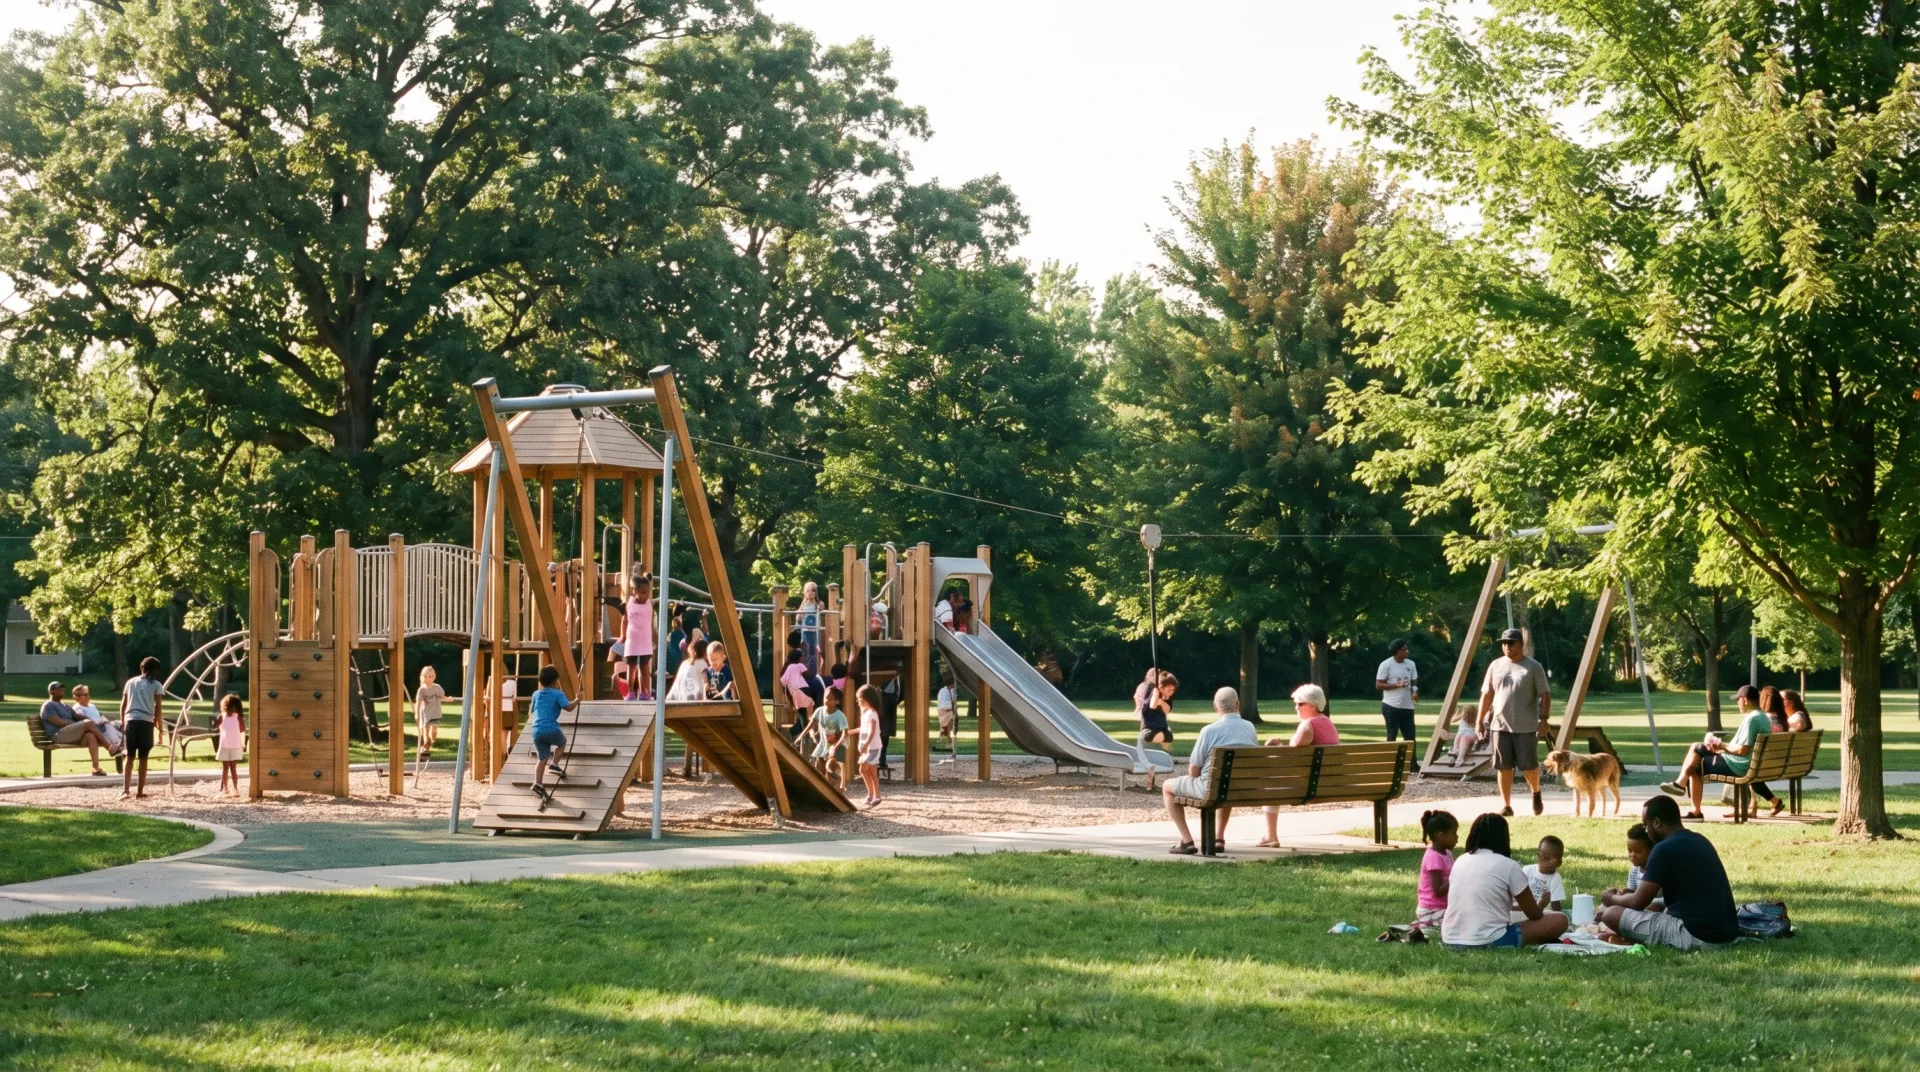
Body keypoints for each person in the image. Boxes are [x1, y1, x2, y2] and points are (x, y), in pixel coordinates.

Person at [1599, 795, 1739, 951]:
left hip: (1697, 936)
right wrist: (1631, 893)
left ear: (1657, 823)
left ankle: (1627, 937)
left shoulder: (1663, 848)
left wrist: (1610, 898)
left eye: (1646, 826)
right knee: (1656, 907)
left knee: (1610, 914)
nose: (1646, 831)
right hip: (1726, 935)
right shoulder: (1700, 840)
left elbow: (1636, 903)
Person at [1440, 812, 1567, 949]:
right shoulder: (1509, 865)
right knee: (1560, 919)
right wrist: (1542, 903)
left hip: (1449, 939)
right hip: (1489, 939)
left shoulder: (1461, 860)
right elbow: (1534, 913)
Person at [1161, 686, 1260, 855]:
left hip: (1210, 788)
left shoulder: (1209, 731)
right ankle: (1219, 838)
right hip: (1236, 787)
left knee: (1167, 786)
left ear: (1216, 707)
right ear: (1237, 704)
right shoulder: (1249, 727)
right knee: (1225, 781)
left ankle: (1186, 841)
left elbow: (1193, 770)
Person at [1660, 683, 1776, 819]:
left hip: (1739, 765)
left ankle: (1688, 797)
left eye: (1738, 700)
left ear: (1744, 700)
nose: (1737, 704)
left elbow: (1742, 750)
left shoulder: (1752, 719)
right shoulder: (1762, 717)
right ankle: (1681, 784)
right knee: (1697, 749)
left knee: (1696, 759)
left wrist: (1721, 745)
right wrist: (1720, 746)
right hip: (1748, 763)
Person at [1478, 627, 1550, 817]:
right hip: (1499, 725)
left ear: (1521, 644)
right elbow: (1486, 695)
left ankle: (1535, 792)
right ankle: (1507, 805)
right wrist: (1479, 721)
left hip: (1526, 726)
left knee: (1529, 767)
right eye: (1504, 643)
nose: (1507, 647)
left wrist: (1544, 719)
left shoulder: (1533, 667)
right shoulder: (1495, 666)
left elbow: (1545, 694)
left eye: (1511, 643)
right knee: (1503, 766)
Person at [1257, 684, 1340, 847]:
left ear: (1313, 705)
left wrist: (1274, 748)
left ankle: (1270, 836)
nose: (1296, 707)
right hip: (1331, 783)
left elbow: (1291, 759)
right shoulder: (1328, 723)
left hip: (1308, 786)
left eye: (1300, 704)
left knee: (1271, 786)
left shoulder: (1307, 726)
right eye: (1296, 704)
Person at [120, 657, 169, 798]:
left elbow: (123, 705)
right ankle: (140, 791)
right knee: (143, 758)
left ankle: (126, 789)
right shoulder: (156, 685)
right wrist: (159, 728)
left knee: (129, 756)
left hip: (131, 720)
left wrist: (123, 721)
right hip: (146, 721)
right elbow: (158, 708)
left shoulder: (130, 682)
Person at [527, 665, 579, 799]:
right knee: (562, 742)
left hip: (536, 730)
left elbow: (531, 711)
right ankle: (555, 764)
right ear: (556, 681)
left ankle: (537, 783)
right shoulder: (558, 693)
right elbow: (568, 707)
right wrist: (578, 699)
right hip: (550, 728)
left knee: (542, 758)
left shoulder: (536, 694)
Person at [40, 682, 112, 776]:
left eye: (62, 688)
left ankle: (95, 768)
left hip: (71, 734)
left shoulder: (65, 706)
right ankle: (109, 747)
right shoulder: (48, 705)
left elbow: (77, 716)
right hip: (58, 735)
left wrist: (88, 719)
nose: (61, 690)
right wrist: (81, 724)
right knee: (87, 724)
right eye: (58, 689)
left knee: (90, 735)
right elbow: (59, 722)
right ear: (51, 692)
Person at [1375, 638, 1420, 770]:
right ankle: (1390, 765)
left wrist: (1415, 692)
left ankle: (1413, 766)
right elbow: (1378, 684)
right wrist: (1396, 685)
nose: (1407, 651)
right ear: (1397, 651)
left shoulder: (1410, 664)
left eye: (1407, 648)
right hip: (1391, 706)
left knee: (1410, 737)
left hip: (1407, 706)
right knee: (1392, 735)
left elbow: (1414, 682)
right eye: (1404, 649)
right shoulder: (1386, 665)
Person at [1414, 809, 1458, 934]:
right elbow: (1438, 891)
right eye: (1453, 833)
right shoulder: (1434, 857)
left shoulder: (1447, 853)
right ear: (1441, 836)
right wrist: (1458, 877)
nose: (1457, 837)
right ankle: (1425, 925)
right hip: (1431, 909)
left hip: (1443, 907)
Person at [1606, 823, 1661, 910]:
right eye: (1630, 850)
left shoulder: (1657, 869)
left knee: (1653, 906)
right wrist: (1627, 892)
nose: (1632, 855)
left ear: (1652, 850)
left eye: (1638, 851)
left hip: (1655, 904)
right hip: (1637, 904)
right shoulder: (1634, 870)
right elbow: (1633, 893)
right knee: (1607, 906)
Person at [1137, 671, 1177, 789]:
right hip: (1149, 729)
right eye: (1169, 689)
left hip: (1161, 730)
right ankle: (1149, 774)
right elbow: (1153, 705)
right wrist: (1156, 692)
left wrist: (1161, 700)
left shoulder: (1168, 700)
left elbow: (1167, 709)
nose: (1171, 692)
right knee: (1143, 740)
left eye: (1173, 690)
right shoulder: (1153, 693)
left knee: (1167, 737)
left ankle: (1164, 741)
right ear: (1161, 687)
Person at [623, 574, 656, 701]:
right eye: (642, 593)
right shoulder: (630, 603)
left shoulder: (649, 603)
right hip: (632, 640)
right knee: (631, 667)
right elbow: (624, 620)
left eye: (647, 593)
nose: (645, 595)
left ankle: (645, 692)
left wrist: (654, 634)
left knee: (644, 667)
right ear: (634, 591)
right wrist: (622, 636)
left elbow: (651, 621)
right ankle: (630, 692)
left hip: (645, 641)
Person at [69, 684, 125, 758]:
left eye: (88, 694)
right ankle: (120, 748)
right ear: (76, 697)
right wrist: (98, 722)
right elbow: (83, 719)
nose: (88, 696)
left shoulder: (92, 706)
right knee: (112, 732)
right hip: (98, 728)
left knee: (124, 724)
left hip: (105, 724)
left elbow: (101, 715)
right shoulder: (77, 708)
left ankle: (123, 745)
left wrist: (104, 719)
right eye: (85, 695)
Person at [810, 686, 848, 781]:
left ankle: (838, 787)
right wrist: (802, 736)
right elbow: (810, 725)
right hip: (825, 742)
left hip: (839, 743)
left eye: (830, 698)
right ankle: (824, 784)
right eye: (825, 697)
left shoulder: (840, 716)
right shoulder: (819, 711)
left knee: (832, 768)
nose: (826, 700)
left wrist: (835, 747)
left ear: (837, 701)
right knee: (819, 761)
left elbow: (845, 734)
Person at [855, 683, 884, 807]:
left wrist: (866, 744)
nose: (859, 702)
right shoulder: (866, 713)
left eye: (861, 700)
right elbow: (863, 728)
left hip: (872, 747)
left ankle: (876, 796)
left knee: (872, 770)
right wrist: (849, 732)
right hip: (866, 748)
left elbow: (872, 731)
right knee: (863, 770)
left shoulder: (872, 713)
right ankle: (870, 794)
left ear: (869, 699)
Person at [214, 693, 246, 796]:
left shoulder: (238, 718)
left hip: (235, 746)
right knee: (225, 768)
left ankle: (235, 789)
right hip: (225, 746)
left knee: (233, 768)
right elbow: (214, 726)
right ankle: (225, 788)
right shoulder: (222, 716)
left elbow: (242, 731)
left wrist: (243, 744)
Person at [1523, 835, 1566, 911]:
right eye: (1546, 859)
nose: (1549, 863)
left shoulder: (1555, 878)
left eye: (1554, 860)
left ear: (1559, 863)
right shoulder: (1527, 870)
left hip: (1544, 915)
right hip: (1524, 910)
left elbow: (1555, 904)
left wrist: (1559, 918)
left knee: (1560, 918)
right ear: (1538, 856)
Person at [779, 650, 814, 742]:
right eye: (802, 657)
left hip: (795, 693)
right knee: (810, 715)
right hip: (804, 689)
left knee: (802, 716)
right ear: (799, 658)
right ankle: (805, 737)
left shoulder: (788, 668)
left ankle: (793, 733)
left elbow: (783, 681)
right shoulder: (799, 665)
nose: (803, 659)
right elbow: (809, 675)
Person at [414, 665, 447, 762]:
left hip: (436, 712)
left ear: (434, 676)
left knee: (434, 731)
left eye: (430, 676)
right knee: (426, 731)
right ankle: (426, 745)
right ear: (422, 677)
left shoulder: (437, 687)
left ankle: (431, 740)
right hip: (426, 713)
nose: (428, 679)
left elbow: (442, 697)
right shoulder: (422, 690)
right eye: (426, 677)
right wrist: (416, 713)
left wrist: (448, 699)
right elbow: (418, 703)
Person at [797, 581, 823, 671]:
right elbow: (798, 618)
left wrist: (819, 606)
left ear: (816, 592)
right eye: (807, 591)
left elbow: (822, 607)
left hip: (814, 631)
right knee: (806, 650)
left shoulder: (817, 604)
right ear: (805, 593)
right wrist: (799, 615)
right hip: (806, 630)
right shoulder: (804, 604)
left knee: (815, 650)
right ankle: (806, 669)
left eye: (812, 590)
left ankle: (814, 669)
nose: (810, 593)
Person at [936, 672, 958, 758]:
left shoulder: (947, 691)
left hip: (946, 710)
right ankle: (948, 743)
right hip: (945, 710)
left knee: (948, 726)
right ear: (951, 684)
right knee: (948, 725)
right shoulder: (946, 691)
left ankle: (944, 738)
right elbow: (949, 702)